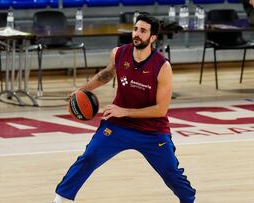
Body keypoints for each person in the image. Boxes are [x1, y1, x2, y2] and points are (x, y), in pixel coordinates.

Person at [52, 14, 196, 203]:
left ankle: (189, 200)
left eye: (143, 31)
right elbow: (105, 75)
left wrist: (124, 111)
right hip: (119, 126)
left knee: (171, 173)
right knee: (88, 158)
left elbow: (161, 110)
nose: (136, 34)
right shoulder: (119, 53)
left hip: (151, 131)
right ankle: (61, 199)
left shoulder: (162, 66)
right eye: (135, 29)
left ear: (153, 38)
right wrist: (82, 90)